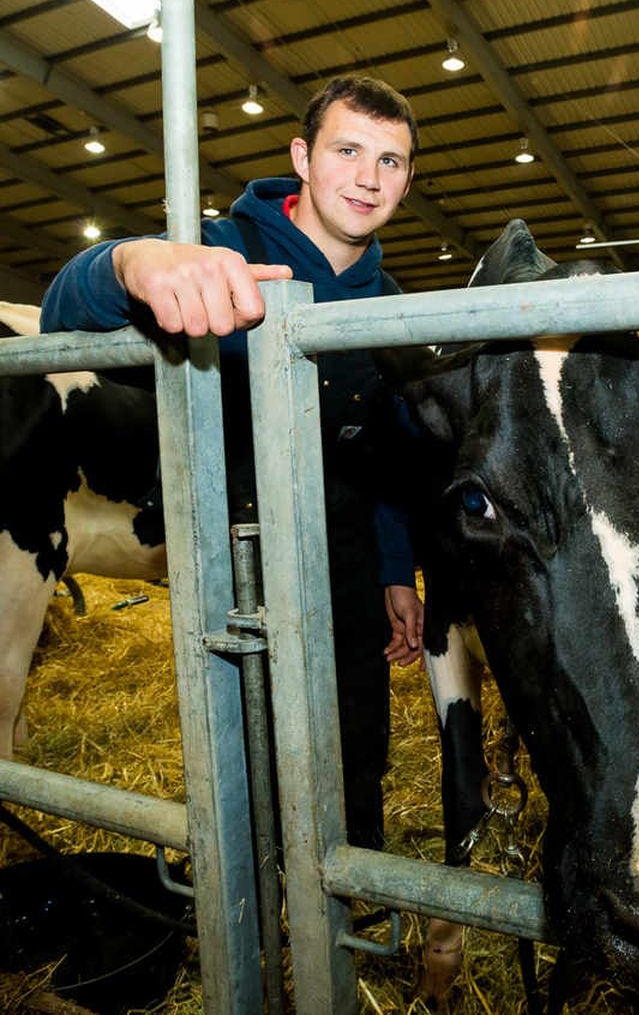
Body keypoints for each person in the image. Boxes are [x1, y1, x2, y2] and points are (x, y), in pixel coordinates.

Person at [41, 74, 427, 850]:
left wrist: (395, 567)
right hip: (233, 565)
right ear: (302, 156)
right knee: (243, 753)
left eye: (391, 161)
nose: (367, 177)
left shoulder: (389, 301)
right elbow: (61, 314)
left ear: (408, 179)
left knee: (358, 744)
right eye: (347, 150)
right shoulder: (222, 250)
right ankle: (249, 920)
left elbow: (387, 448)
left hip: (347, 561)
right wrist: (133, 263)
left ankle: (349, 908)